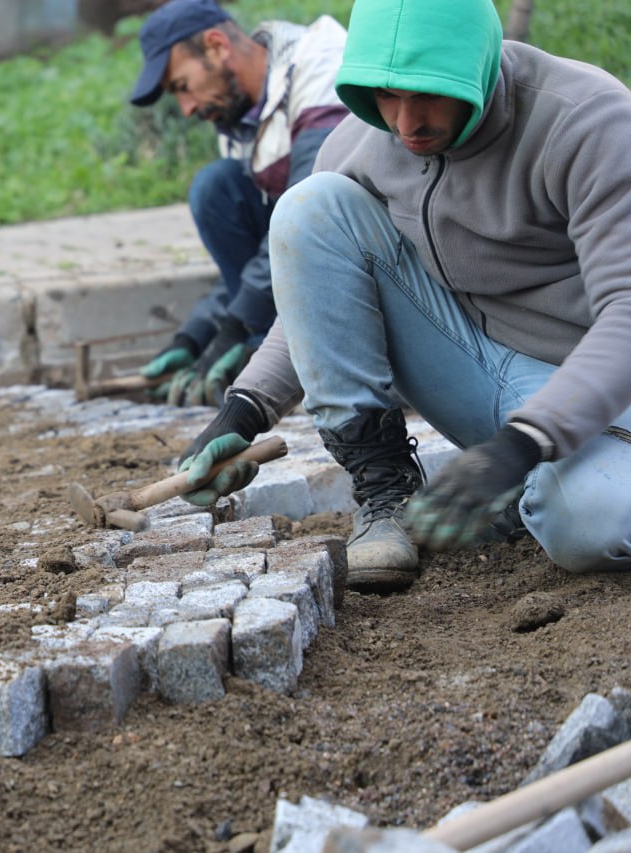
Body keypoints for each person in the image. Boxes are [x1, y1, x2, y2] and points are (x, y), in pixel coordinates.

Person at [175, 0, 631, 592]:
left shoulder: (587, 120)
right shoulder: (367, 137)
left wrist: (523, 445)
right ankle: (388, 492)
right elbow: (316, 282)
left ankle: (536, 491)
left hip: (594, 391)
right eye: (386, 96)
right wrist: (245, 409)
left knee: (590, 526)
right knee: (309, 208)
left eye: (429, 95)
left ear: (481, 67)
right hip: (472, 367)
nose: (406, 123)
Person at [128, 0, 348, 407]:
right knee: (218, 188)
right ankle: (271, 352)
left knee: (224, 188)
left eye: (181, 86)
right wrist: (197, 333)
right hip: (313, 249)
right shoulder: (237, 115)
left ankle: (295, 357)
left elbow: (307, 217)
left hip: (363, 253)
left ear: (216, 46)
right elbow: (262, 249)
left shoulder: (320, 67)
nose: (187, 108)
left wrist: (237, 323)